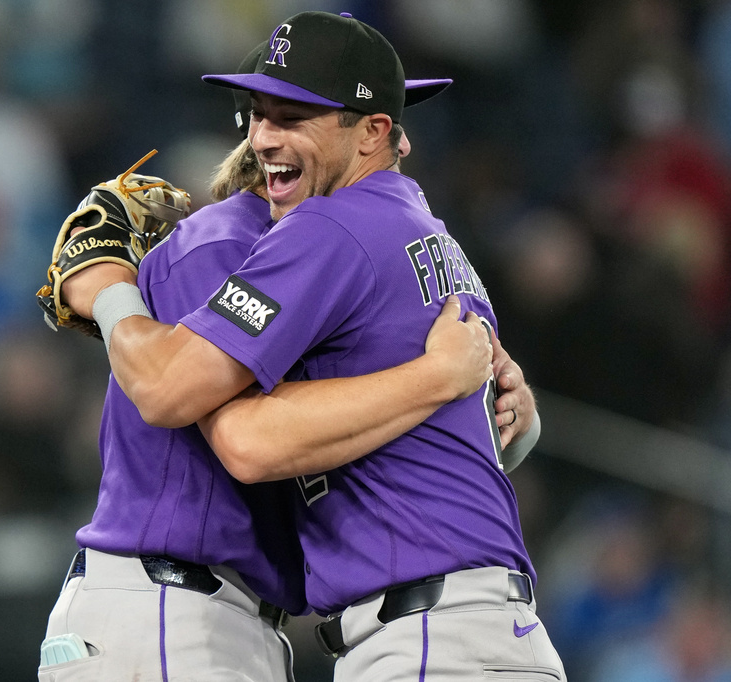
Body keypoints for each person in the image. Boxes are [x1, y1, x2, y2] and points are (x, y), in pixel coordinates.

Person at [58, 11, 562, 681]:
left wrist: (107, 288)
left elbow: (239, 434)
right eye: (256, 114)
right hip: (192, 612)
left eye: (292, 117)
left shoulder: (330, 228)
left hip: (429, 639)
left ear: (379, 133)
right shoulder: (431, 241)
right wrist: (451, 384)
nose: (265, 138)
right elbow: (487, 440)